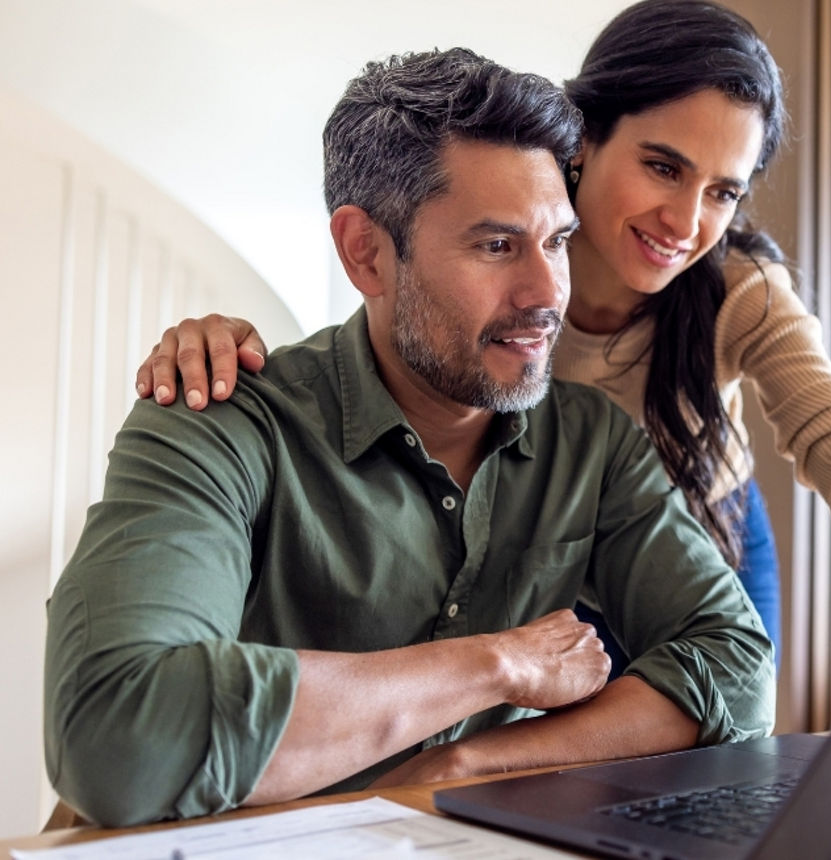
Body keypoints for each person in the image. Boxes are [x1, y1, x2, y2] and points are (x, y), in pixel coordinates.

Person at [44, 47, 774, 828]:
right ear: (366, 252)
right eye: (496, 246)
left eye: (557, 241)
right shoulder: (215, 419)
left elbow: (737, 672)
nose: (546, 293)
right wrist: (495, 665)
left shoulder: (593, 444)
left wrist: (463, 765)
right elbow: (117, 736)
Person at [137, 0, 831, 668]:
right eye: (662, 166)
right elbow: (394, 333)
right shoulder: (501, 278)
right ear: (584, 139)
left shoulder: (736, 290)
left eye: (723, 191)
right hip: (547, 548)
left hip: (704, 529)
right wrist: (222, 341)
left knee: (718, 756)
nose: (686, 222)